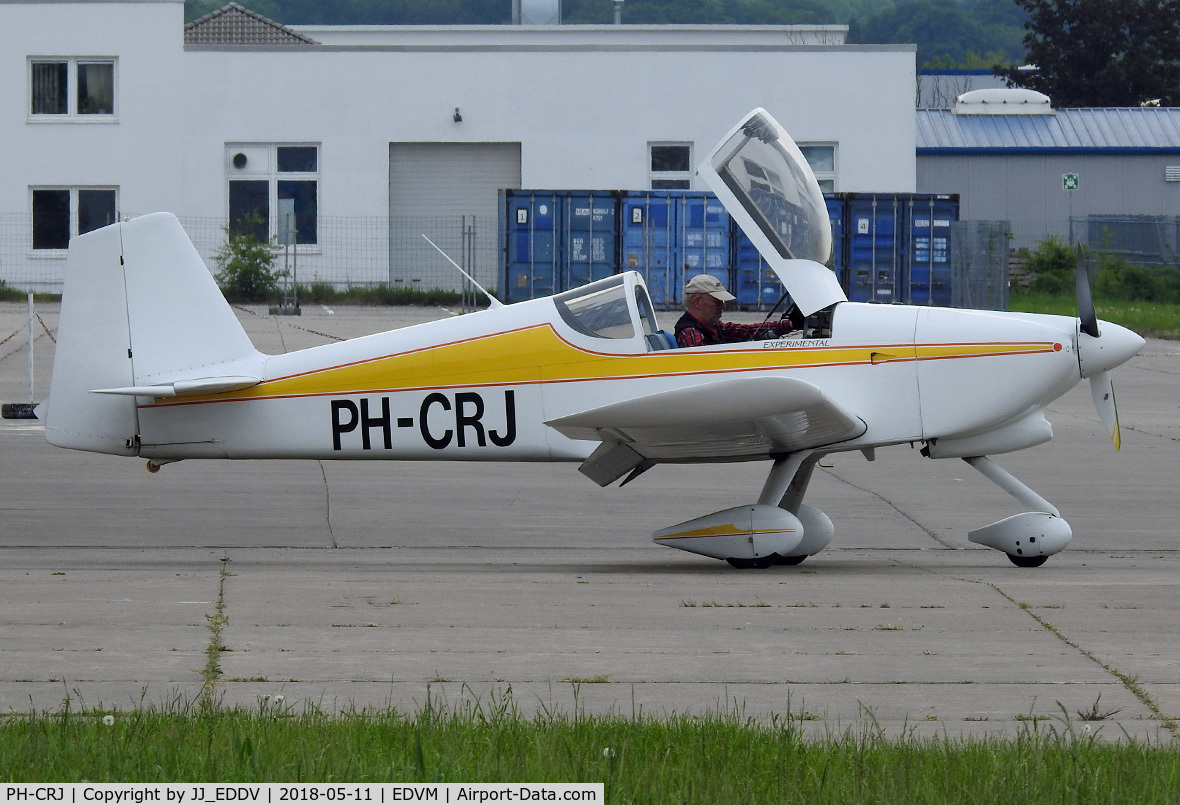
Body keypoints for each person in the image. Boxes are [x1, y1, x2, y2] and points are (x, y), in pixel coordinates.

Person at [674, 274, 801, 348]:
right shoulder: (690, 333)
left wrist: (789, 324)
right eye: (717, 301)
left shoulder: (712, 328)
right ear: (697, 302)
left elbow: (747, 331)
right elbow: (705, 369)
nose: (723, 306)